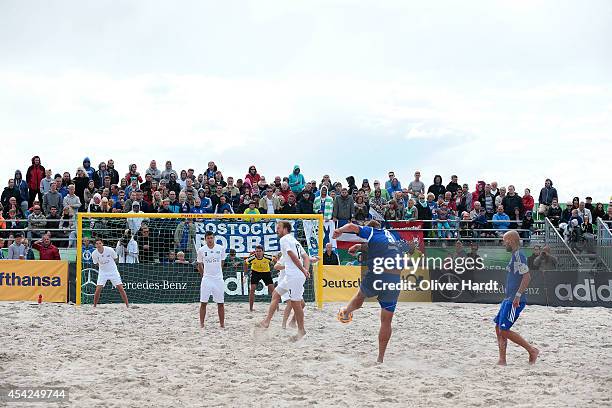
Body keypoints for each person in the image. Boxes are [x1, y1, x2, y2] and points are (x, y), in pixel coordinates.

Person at [333, 220, 401, 363]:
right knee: (386, 321)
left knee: (360, 296)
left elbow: (352, 226)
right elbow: (374, 245)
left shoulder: (371, 232)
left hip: (379, 273)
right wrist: (358, 246)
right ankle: (380, 358)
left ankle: (345, 312)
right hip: (394, 277)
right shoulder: (391, 236)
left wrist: (339, 230)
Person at [257, 221, 310, 341]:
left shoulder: (284, 239)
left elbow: (292, 254)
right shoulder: (294, 240)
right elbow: (306, 257)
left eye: (278, 228)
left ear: (285, 229)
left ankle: (301, 330)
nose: (277, 230)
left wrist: (303, 270)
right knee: (276, 293)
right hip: (292, 275)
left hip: (294, 275)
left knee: (297, 304)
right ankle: (267, 321)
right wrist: (305, 270)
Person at [494, 230, 539, 366]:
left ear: (511, 241)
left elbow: (527, 277)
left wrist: (518, 296)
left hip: (515, 299)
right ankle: (502, 360)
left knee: (504, 329)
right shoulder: (515, 255)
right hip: (508, 298)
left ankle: (532, 350)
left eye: (504, 241)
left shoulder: (519, 255)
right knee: (498, 327)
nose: (503, 244)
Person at [197, 231, 227, 329]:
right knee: (203, 302)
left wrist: (218, 272)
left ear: (214, 238)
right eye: (208, 238)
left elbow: (222, 262)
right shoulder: (201, 250)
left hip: (218, 279)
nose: (210, 240)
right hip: (207, 279)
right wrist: (204, 275)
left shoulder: (221, 248)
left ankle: (222, 324)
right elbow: (199, 264)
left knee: (220, 303)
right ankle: (201, 324)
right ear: (205, 239)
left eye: (211, 238)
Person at [91, 238, 130, 308]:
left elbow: (116, 258)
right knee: (98, 289)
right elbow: (96, 263)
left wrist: (110, 266)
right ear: (95, 245)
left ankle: (127, 305)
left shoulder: (109, 250)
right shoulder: (94, 253)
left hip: (113, 271)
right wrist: (103, 267)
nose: (99, 245)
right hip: (103, 272)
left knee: (120, 288)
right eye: (97, 244)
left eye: (100, 243)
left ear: (102, 243)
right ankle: (94, 306)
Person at [244, 245, 276, 312]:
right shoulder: (252, 258)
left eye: (260, 251)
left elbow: (275, 259)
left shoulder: (267, 257)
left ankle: (276, 307)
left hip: (266, 272)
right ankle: (251, 308)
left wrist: (277, 269)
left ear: (263, 251)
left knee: (272, 290)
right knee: (252, 290)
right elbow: (245, 263)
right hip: (255, 273)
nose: (258, 253)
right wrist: (245, 274)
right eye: (257, 251)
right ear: (255, 252)